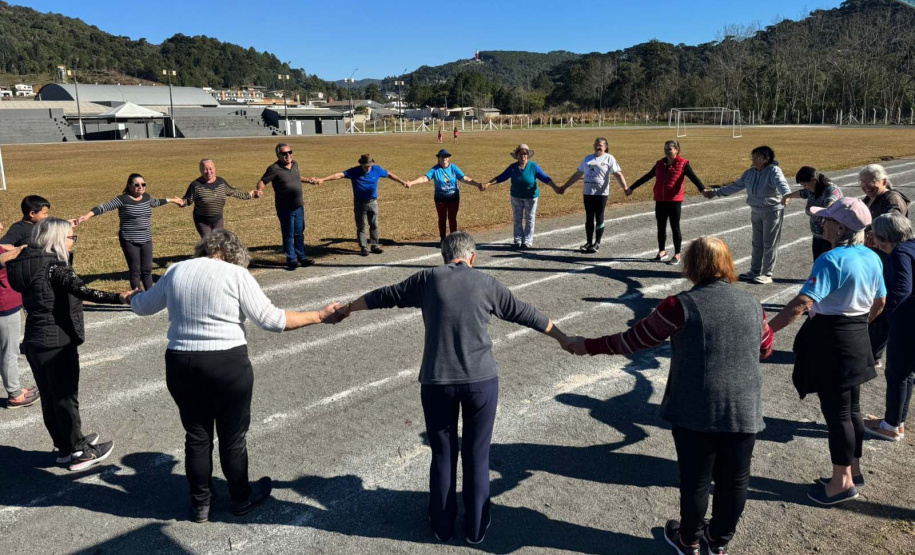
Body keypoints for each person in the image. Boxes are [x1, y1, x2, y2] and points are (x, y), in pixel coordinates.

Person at [335, 231, 570, 544]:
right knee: (477, 455)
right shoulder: (488, 284)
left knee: (443, 454)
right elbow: (527, 313)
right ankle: (475, 527)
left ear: (444, 256)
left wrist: (348, 308)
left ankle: (443, 525)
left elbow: (384, 296)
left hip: (437, 382)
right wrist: (563, 338)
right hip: (481, 383)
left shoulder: (428, 279)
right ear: (473, 258)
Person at [564, 236, 773, 555]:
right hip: (744, 407)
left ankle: (688, 539)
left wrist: (588, 345)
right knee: (734, 480)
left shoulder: (679, 305)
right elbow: (766, 349)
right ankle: (718, 541)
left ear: (693, 266)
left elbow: (634, 340)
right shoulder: (753, 304)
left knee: (696, 479)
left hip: (696, 407)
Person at [129, 229, 345, 523]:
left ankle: (200, 504)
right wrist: (319, 316)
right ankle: (241, 499)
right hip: (226, 362)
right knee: (232, 437)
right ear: (233, 254)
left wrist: (131, 297)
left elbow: (143, 307)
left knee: (196, 435)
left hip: (181, 362)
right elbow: (271, 320)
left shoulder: (176, 270)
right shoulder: (236, 275)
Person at [768, 198, 885, 506]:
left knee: (838, 415)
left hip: (832, 342)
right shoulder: (871, 257)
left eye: (828, 220)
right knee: (852, 410)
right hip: (857, 337)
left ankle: (841, 483)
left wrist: (765, 331)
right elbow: (880, 303)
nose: (823, 223)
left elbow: (802, 303)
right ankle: (852, 472)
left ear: (842, 227)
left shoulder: (831, 259)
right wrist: (857, 324)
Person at [7, 218, 133, 471]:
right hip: (57, 340)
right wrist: (120, 297)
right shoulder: (53, 267)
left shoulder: (23, 263)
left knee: (50, 398)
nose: (72, 241)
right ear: (56, 239)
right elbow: (83, 291)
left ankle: (65, 446)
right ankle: (80, 450)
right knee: (65, 398)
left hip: (34, 339)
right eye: (70, 237)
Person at [73, 174, 183, 291]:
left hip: (146, 238)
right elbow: (104, 207)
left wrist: (172, 200)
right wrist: (87, 216)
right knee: (135, 270)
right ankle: (137, 299)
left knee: (147, 269)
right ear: (129, 186)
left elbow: (155, 202)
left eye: (143, 184)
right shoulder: (122, 199)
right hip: (129, 239)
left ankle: (150, 296)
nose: (140, 187)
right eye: (137, 185)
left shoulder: (146, 197)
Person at [702, 146, 791, 284]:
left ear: (765, 159)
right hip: (756, 211)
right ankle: (754, 271)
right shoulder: (749, 173)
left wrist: (786, 195)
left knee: (769, 243)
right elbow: (735, 186)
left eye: (756, 157)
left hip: (772, 211)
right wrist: (714, 192)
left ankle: (767, 273)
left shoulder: (774, 171)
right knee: (757, 243)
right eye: (753, 157)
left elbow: (782, 184)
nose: (753, 160)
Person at [863, 213, 915, 442]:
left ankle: (891, 426)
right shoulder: (911, 246)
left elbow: (901, 290)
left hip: (908, 323)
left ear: (882, 238)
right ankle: (895, 421)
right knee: (906, 374)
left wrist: (887, 315)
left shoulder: (899, 254)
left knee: (897, 374)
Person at [859, 164, 910, 367]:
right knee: (873, 302)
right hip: (875, 258)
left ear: (884, 181)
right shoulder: (869, 198)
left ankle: (873, 355)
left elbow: (892, 224)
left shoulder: (892, 200)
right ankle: (869, 350)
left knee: (883, 305)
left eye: (872, 181)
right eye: (863, 182)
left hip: (888, 259)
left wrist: (871, 234)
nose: (867, 186)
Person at [626, 140, 706, 265]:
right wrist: (632, 188)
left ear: (677, 150)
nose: (667, 151)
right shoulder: (660, 164)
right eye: (665, 149)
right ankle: (662, 251)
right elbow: (647, 176)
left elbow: (694, 177)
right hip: (660, 200)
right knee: (661, 227)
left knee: (675, 227)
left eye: (670, 149)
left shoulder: (683, 164)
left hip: (674, 201)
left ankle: (677, 254)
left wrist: (703, 189)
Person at [309, 154, 407, 256]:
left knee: (374, 225)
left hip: (373, 202)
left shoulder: (376, 169)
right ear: (361, 164)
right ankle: (363, 247)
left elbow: (389, 174)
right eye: (365, 166)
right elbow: (339, 175)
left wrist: (401, 181)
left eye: (369, 166)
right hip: (360, 203)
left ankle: (375, 245)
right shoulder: (354, 171)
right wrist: (323, 179)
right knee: (361, 226)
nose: (368, 168)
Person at [557, 137, 628, 254]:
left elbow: (617, 174)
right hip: (588, 192)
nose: (598, 147)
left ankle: (597, 243)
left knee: (599, 216)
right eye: (596, 145)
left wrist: (625, 188)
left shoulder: (609, 158)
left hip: (601, 193)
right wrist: (564, 186)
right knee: (589, 217)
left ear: (605, 147)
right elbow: (578, 174)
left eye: (600, 145)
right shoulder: (587, 158)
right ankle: (589, 242)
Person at [481, 144, 558, 249]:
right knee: (517, 218)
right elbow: (501, 177)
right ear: (517, 155)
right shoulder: (512, 167)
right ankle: (517, 239)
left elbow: (545, 178)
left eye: (525, 154)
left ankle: (527, 241)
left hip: (531, 197)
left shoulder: (533, 166)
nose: (523, 156)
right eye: (521, 154)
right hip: (516, 196)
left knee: (530, 218)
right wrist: (488, 184)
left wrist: (555, 187)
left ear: (528, 155)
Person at [255, 143, 315, 271]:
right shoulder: (274, 168)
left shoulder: (295, 164)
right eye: (284, 153)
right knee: (288, 234)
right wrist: (260, 190)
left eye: (290, 152)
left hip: (299, 206)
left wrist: (308, 180)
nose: (288, 155)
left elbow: (297, 177)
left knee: (299, 233)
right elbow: (263, 181)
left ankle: (302, 257)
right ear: (278, 155)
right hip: (285, 208)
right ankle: (291, 260)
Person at [404, 150, 482, 244]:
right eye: (442, 157)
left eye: (446, 157)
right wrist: (411, 183)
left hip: (453, 197)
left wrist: (477, 184)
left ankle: (454, 239)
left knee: (452, 218)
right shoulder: (435, 169)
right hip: (440, 198)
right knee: (442, 218)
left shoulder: (453, 167)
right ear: (438, 158)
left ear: (448, 158)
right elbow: (425, 178)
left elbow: (464, 178)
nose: (444, 158)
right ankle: (443, 239)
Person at [182, 159, 258, 237]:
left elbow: (234, 192)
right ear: (201, 171)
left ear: (215, 169)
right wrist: (179, 202)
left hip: (218, 219)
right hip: (202, 221)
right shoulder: (195, 185)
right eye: (205, 169)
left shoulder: (221, 183)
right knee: (209, 243)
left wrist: (250, 195)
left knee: (219, 242)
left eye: (210, 169)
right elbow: (187, 201)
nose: (208, 172)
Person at [780, 166, 843, 261]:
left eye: (805, 185)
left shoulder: (831, 190)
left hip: (830, 237)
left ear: (813, 180)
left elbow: (830, 204)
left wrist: (817, 209)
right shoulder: (812, 188)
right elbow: (801, 193)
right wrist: (787, 196)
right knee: (818, 263)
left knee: (828, 264)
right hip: (817, 236)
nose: (805, 187)